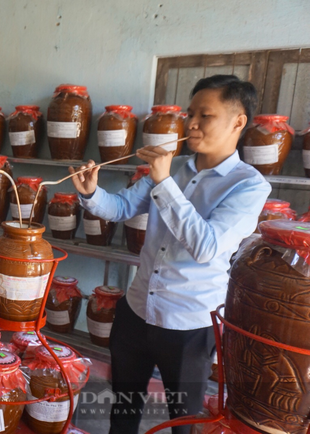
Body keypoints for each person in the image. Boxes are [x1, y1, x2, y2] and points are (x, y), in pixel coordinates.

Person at [70, 75, 271, 434]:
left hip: (188, 324)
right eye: (190, 113)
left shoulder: (249, 185)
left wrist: (164, 183)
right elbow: (121, 208)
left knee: (184, 419)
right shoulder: (176, 167)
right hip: (136, 311)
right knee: (124, 406)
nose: (190, 124)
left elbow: (206, 246)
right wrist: (92, 193)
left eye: (204, 116)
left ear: (237, 122)